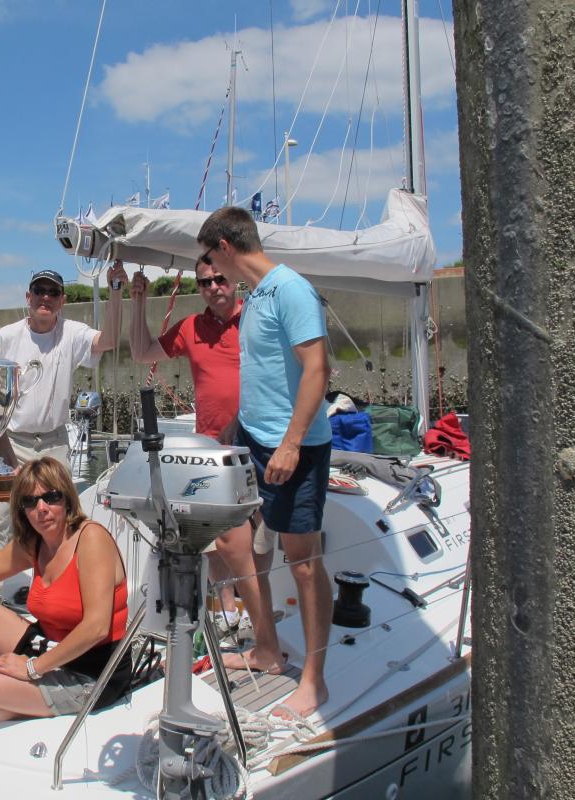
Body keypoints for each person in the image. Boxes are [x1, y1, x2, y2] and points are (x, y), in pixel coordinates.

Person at [196, 205, 333, 720]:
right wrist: (240, 425)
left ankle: (314, 681)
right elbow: (264, 371)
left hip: (293, 450)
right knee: (243, 546)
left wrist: (292, 444)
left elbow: (317, 368)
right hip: (255, 442)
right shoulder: (255, 298)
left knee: (304, 565)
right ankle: (268, 649)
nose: (212, 271)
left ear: (225, 248)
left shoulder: (291, 289)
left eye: (212, 259)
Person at [128, 263, 287, 674]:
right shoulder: (190, 328)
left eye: (220, 278)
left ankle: (256, 633)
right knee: (225, 544)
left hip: (260, 446)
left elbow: (289, 370)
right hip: (215, 454)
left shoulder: (257, 319)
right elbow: (142, 353)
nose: (214, 286)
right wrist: (138, 299)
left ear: (234, 280)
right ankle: (240, 622)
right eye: (205, 281)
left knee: (257, 551)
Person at [0, 457, 131, 721]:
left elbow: (96, 628)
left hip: (92, 673)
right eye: (30, 501)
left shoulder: (91, 539)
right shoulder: (34, 543)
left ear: (67, 499)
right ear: (22, 510)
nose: (42, 508)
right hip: (47, 648)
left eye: (51, 497)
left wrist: (32, 668)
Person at [0, 263, 129, 566]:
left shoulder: (72, 333)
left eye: (53, 292)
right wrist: (2, 450)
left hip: (54, 442)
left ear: (62, 300)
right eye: (39, 291)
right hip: (12, 442)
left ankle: (52, 585)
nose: (45, 297)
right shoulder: (5, 337)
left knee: (59, 520)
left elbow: (109, 340)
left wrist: (115, 291)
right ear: (28, 297)